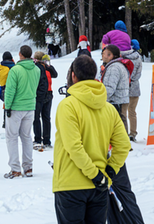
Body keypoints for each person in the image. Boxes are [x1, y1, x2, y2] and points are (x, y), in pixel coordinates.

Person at [52, 54, 130, 224]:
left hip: (71, 184)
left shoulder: (68, 105)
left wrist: (96, 175)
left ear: (73, 75)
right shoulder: (108, 108)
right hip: (99, 187)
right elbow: (123, 145)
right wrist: (109, 171)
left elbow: (74, 147)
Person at [3, 45, 40, 179]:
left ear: (20, 54)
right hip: (30, 106)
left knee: (12, 137)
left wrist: (7, 106)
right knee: (26, 137)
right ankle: (28, 167)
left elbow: (10, 90)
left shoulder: (15, 70)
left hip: (16, 107)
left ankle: (15, 169)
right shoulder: (36, 69)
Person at [99, 44, 131, 132]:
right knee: (121, 123)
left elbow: (109, 88)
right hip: (120, 99)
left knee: (118, 126)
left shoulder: (113, 68)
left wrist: (99, 97)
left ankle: (123, 145)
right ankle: (125, 144)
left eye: (105, 53)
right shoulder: (117, 65)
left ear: (111, 55)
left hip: (116, 102)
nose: (103, 55)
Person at [33, 52, 58, 151]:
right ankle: (47, 140)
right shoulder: (48, 68)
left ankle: (38, 139)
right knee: (46, 117)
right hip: (49, 93)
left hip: (40, 94)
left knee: (36, 117)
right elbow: (55, 74)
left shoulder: (37, 68)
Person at [127, 40, 143, 142]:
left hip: (125, 87)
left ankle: (123, 133)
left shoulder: (125, 57)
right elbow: (138, 74)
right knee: (132, 112)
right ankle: (133, 133)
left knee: (123, 111)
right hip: (135, 87)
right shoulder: (139, 58)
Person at [0, 51, 15, 128]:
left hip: (3, 89)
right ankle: (11, 123)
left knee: (6, 105)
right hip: (12, 89)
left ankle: (5, 122)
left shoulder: (0, 68)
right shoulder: (13, 67)